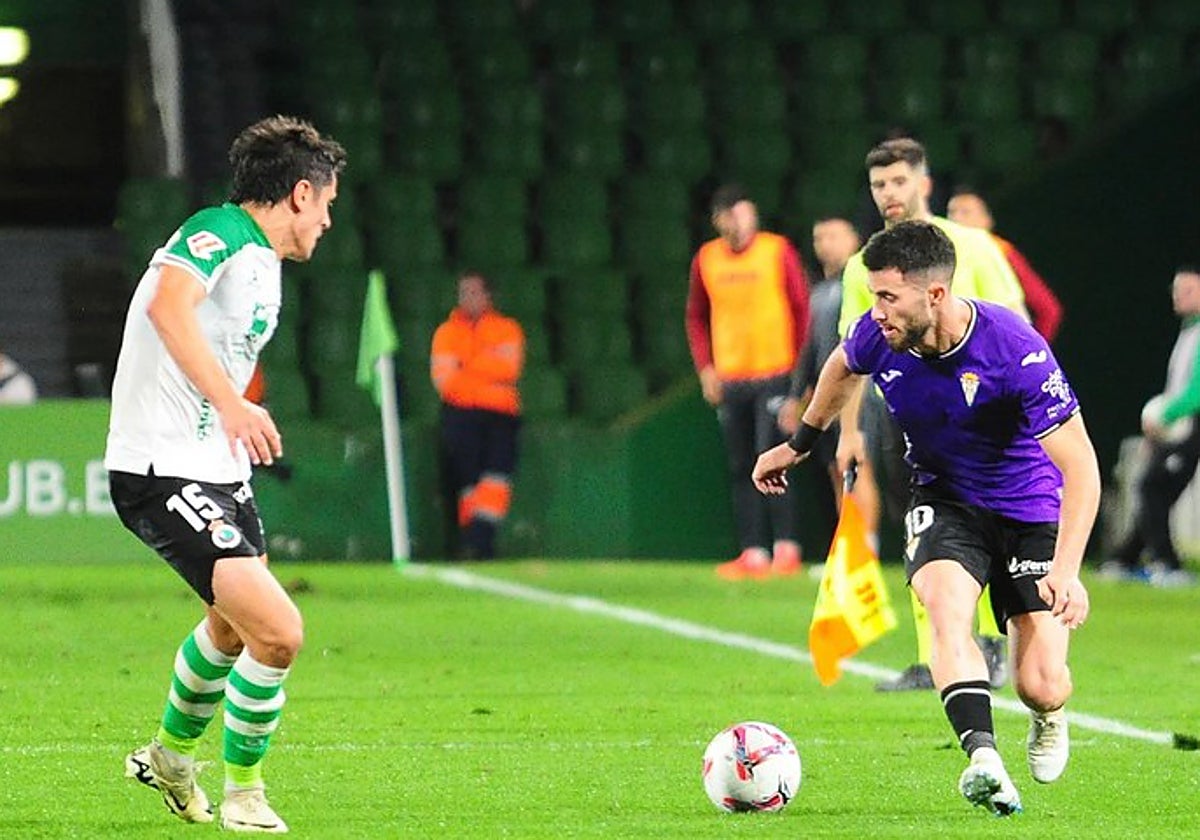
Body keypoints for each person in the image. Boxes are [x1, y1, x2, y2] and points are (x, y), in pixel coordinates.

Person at [754, 220, 1099, 816]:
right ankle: (984, 758)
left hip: (1029, 509)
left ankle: (1050, 715)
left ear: (934, 295)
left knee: (1039, 683)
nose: (875, 309)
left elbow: (1083, 469)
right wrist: (802, 443)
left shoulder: (1012, 347)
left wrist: (1066, 571)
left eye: (888, 296)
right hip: (945, 499)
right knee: (945, 612)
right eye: (873, 294)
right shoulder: (879, 334)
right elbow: (840, 366)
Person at [106, 115, 346, 833]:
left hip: (216, 470)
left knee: (234, 630)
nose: (328, 222)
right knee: (280, 632)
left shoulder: (263, 263)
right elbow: (166, 304)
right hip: (160, 467)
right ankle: (246, 791)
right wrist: (231, 403)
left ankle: (170, 758)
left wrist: (231, 418)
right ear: (301, 194)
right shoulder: (217, 232)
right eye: (328, 204)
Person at [838, 137, 1028, 692]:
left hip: (983, 414)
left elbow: (1018, 322)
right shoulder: (862, 267)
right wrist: (848, 432)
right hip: (905, 418)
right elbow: (851, 355)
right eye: (879, 184)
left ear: (924, 183)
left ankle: (991, 644)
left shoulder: (972, 245)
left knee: (991, 523)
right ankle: (934, 656)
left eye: (899, 181)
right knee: (921, 527)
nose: (889, 193)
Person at [686, 183, 811, 579]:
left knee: (772, 458)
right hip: (732, 378)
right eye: (731, 215)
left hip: (775, 373)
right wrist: (706, 367)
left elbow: (802, 309)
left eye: (744, 213)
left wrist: (802, 376)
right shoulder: (706, 259)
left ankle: (787, 548)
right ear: (718, 220)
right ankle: (753, 551)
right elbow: (695, 316)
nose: (738, 222)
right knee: (741, 464)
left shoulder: (777, 251)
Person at [778, 217, 881, 549]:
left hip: (859, 392)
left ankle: (868, 546)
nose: (824, 243)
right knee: (837, 470)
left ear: (853, 238)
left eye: (833, 235)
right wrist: (797, 396)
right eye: (818, 237)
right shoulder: (819, 291)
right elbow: (810, 348)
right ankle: (849, 550)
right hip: (829, 392)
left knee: (858, 466)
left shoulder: (864, 282)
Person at [1105, 266, 1200, 586]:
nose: (1179, 296)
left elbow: (1197, 390)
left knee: (1153, 489)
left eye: (1188, 290)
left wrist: (1164, 416)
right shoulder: (1189, 330)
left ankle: (1166, 564)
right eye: (1176, 289)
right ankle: (1125, 559)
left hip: (1190, 427)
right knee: (1151, 489)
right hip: (1178, 428)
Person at [431, 270, 525, 559]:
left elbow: (509, 369)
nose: (467, 299)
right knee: (465, 480)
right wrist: (486, 364)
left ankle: (482, 540)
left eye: (473, 292)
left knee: (495, 480)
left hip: (501, 416)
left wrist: (466, 366)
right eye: (463, 293)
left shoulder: (507, 329)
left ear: (488, 296)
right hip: (460, 415)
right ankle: (470, 541)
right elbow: (445, 381)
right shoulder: (446, 332)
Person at [947, 188, 1064, 342]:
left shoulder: (1000, 250)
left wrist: (1032, 352)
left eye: (966, 212)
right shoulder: (944, 252)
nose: (956, 219)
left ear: (986, 220)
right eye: (952, 212)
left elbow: (1048, 309)